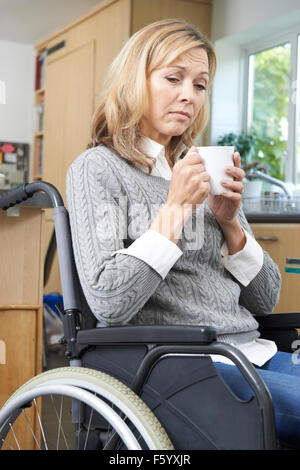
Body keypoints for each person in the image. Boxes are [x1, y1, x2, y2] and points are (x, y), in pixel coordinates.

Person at [66, 19, 300, 447]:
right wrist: (175, 210)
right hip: (182, 365)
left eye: (200, 85)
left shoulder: (200, 165)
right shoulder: (98, 170)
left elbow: (265, 300)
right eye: (174, 78)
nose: (189, 95)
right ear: (135, 81)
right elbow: (109, 300)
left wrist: (230, 222)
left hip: (253, 353)